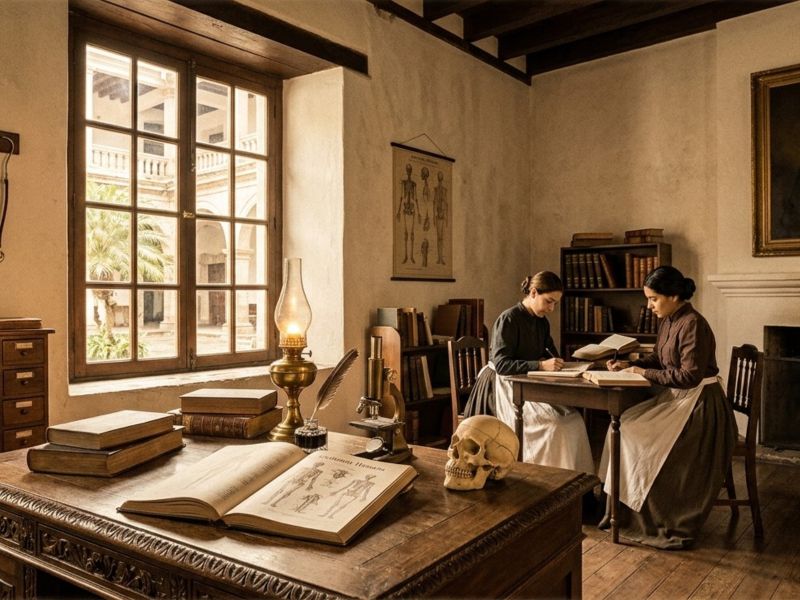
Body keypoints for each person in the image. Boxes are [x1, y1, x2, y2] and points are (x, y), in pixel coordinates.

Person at [599, 265, 736, 549]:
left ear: (674, 295)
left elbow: (689, 376)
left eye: (654, 299)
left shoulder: (693, 323)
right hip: (681, 399)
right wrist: (632, 364)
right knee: (625, 422)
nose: (649, 306)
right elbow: (661, 358)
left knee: (630, 433)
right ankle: (618, 510)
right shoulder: (670, 319)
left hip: (700, 406)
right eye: (648, 299)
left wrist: (642, 374)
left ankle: (647, 515)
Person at [465, 271, 594, 473]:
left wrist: (560, 363)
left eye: (555, 304)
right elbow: (502, 365)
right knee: (556, 426)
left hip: (528, 383)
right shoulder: (508, 319)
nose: (551, 308)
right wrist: (541, 366)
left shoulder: (541, 321)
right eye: (548, 301)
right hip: (502, 386)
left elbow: (549, 351)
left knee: (573, 419)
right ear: (533, 292)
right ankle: (547, 478)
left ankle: (575, 483)